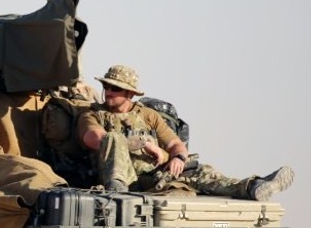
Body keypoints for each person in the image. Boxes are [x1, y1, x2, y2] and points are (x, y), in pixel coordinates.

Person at [76, 64, 293, 201]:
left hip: (153, 175)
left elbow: (176, 145)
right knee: (112, 137)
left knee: (202, 172)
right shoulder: (94, 114)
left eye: (115, 88)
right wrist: (142, 144)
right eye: (107, 87)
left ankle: (254, 187)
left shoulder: (148, 115)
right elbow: (94, 139)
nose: (109, 93)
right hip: (123, 179)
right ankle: (119, 194)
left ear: (130, 93)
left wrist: (178, 158)